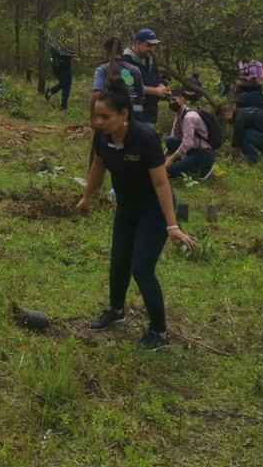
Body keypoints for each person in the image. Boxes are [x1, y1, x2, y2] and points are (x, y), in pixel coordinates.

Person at [77, 85, 196, 348]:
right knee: (119, 260)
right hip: (126, 206)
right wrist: (87, 196)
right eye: (96, 116)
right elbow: (98, 166)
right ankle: (116, 310)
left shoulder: (145, 138)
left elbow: (161, 184)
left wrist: (172, 225)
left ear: (124, 115)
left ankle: (159, 332)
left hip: (153, 210)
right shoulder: (102, 137)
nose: (98, 122)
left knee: (141, 268)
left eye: (105, 117)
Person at [163, 87, 215, 180]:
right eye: (170, 100)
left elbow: (187, 143)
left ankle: (205, 166)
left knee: (169, 171)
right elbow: (174, 136)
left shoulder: (189, 117)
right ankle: (184, 162)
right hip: (191, 149)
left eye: (174, 99)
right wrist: (165, 158)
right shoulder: (179, 115)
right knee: (170, 140)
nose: (171, 102)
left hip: (203, 152)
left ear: (182, 99)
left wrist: (171, 159)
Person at [123, 29, 169, 125]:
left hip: (150, 111)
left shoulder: (150, 59)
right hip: (133, 111)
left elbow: (156, 76)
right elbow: (128, 85)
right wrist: (155, 91)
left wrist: (161, 85)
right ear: (137, 43)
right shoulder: (124, 62)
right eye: (148, 45)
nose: (152, 49)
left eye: (154, 45)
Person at [92, 37, 144, 115]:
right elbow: (140, 96)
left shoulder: (101, 70)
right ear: (122, 52)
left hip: (110, 114)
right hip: (131, 114)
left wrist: (94, 116)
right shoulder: (135, 70)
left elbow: (96, 95)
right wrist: (137, 114)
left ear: (106, 52)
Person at [45, 41, 75, 111]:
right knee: (66, 86)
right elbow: (65, 55)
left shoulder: (57, 48)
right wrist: (71, 54)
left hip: (61, 70)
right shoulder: (59, 49)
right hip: (63, 70)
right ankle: (63, 106)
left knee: (63, 84)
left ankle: (50, 92)